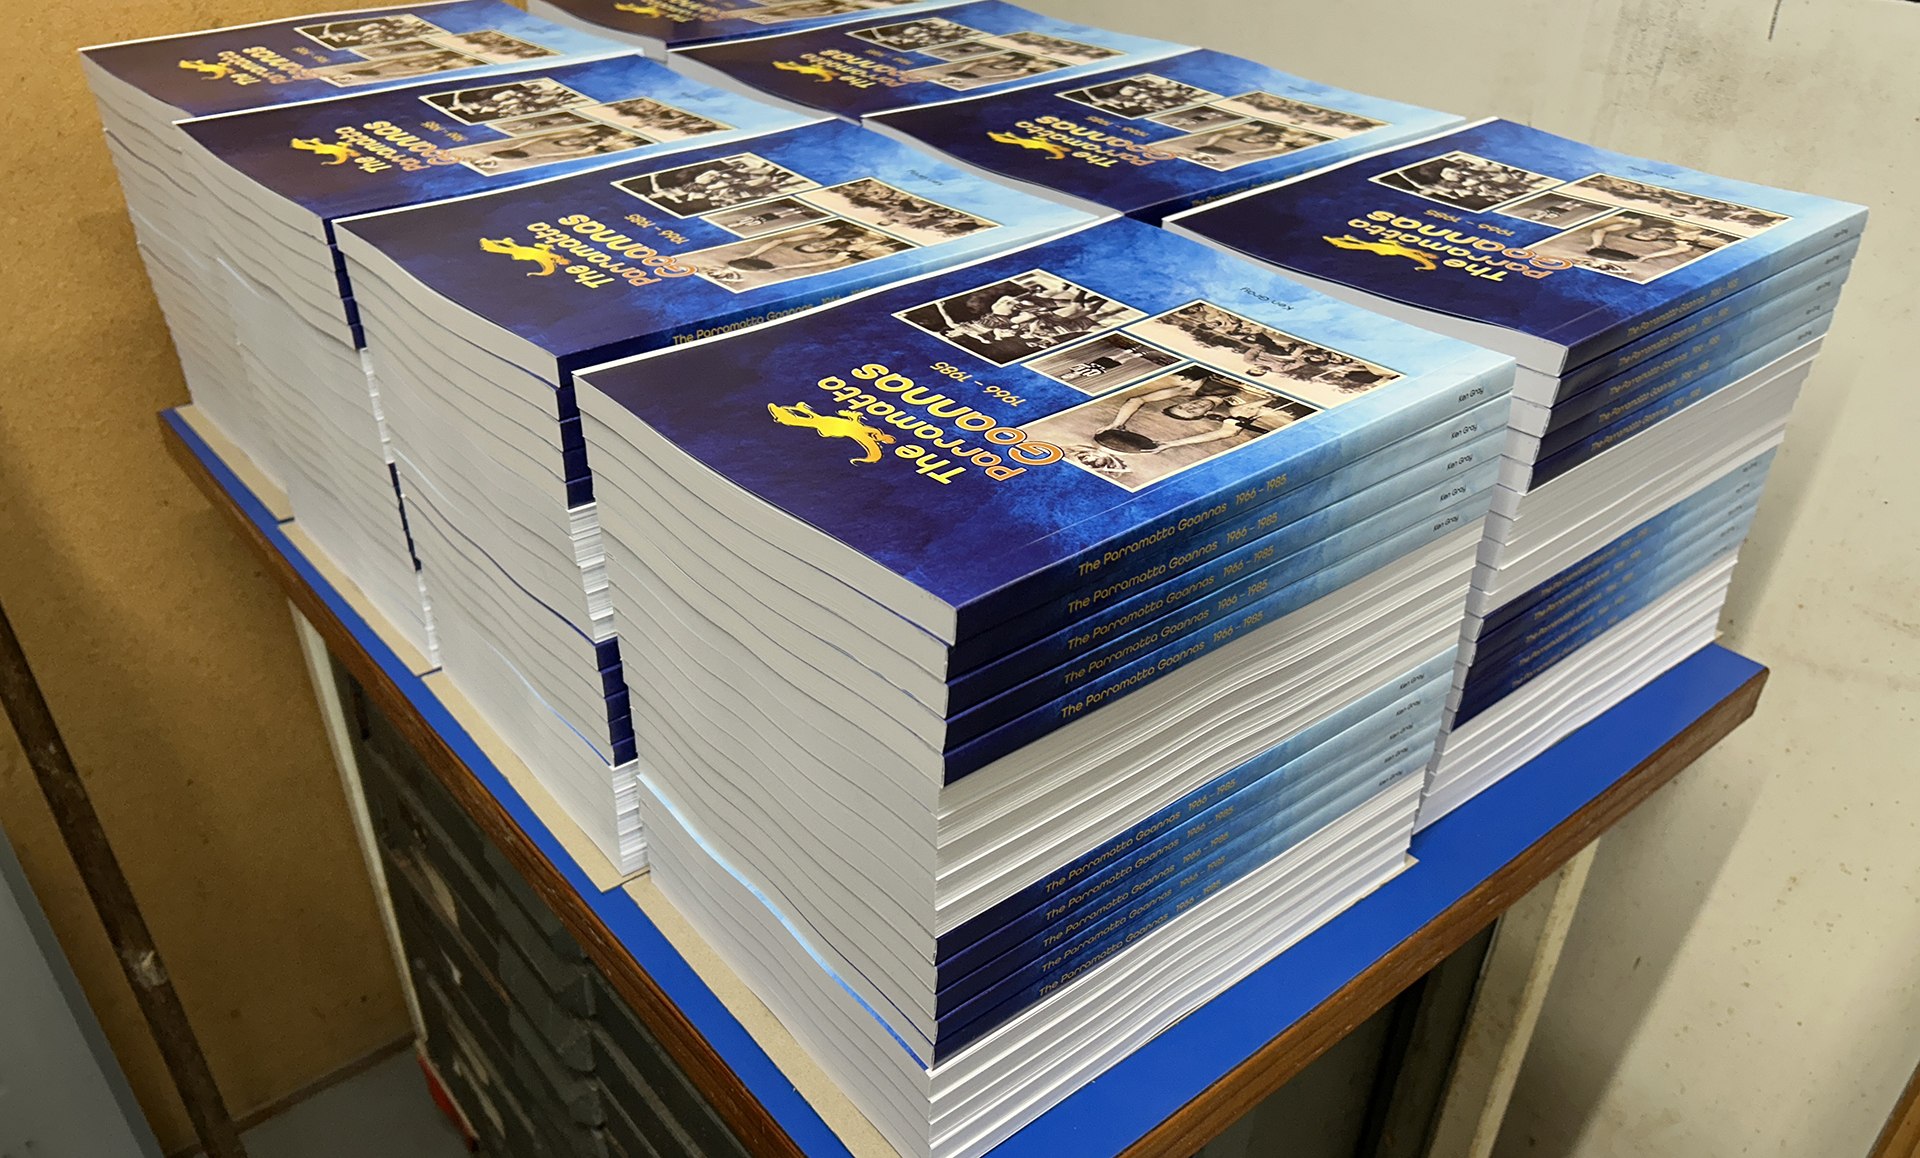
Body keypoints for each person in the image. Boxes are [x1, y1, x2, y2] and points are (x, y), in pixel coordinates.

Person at [1091, 374, 1296, 454]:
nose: (1191, 407)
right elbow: (1226, 432)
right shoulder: (1238, 409)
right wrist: (1170, 444)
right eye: (1192, 412)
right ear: (1206, 414)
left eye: (1182, 407)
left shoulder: (1192, 388)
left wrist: (1115, 424)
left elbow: (1136, 400)